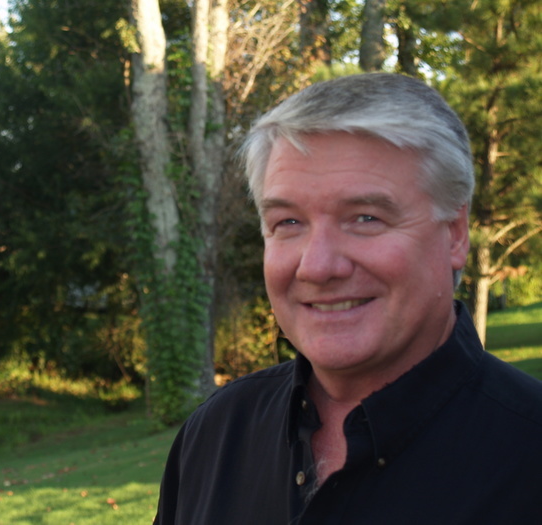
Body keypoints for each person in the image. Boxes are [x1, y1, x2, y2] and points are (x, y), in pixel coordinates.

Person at [153, 73, 542, 524]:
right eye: (288, 223)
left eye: (365, 218)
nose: (317, 266)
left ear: (455, 234)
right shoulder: (216, 434)